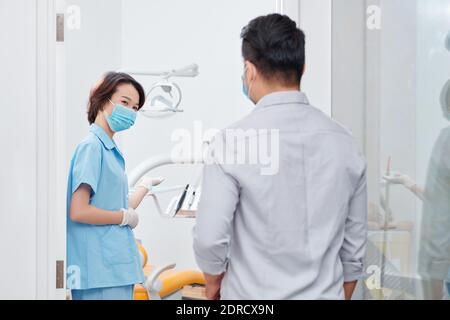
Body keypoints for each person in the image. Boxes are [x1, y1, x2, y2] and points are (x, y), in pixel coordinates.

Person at [193, 14, 368, 300]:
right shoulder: (345, 143)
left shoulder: (231, 141)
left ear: (249, 71)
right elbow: (354, 251)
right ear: (303, 68)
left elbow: (210, 238)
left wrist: (213, 285)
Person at [67, 72, 164, 300]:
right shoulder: (92, 147)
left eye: (135, 107)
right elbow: (78, 211)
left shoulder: (109, 150)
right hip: (99, 271)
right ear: (102, 100)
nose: (130, 111)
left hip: (113, 269)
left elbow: (118, 205)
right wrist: (122, 217)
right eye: (124, 102)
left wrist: (144, 186)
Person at [383, 79, 450, 299]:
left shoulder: (446, 141)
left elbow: (438, 212)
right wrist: (407, 182)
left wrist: (434, 271)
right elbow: (439, 201)